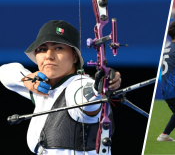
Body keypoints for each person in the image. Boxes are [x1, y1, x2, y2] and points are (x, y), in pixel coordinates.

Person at [0, 20, 121, 155]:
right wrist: (25, 80)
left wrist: (99, 86)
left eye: (58, 48)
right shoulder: (43, 87)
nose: (49, 56)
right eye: (42, 49)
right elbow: (4, 72)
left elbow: (86, 98)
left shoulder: (78, 85)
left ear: (75, 56)